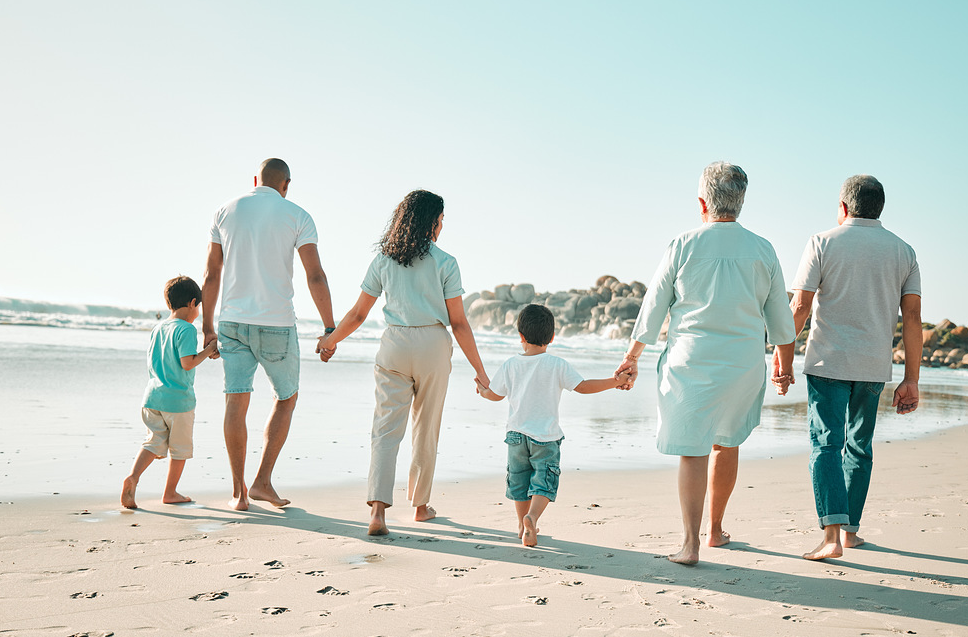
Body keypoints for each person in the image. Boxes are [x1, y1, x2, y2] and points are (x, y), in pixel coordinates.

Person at [614, 161, 796, 566]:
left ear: (702, 203)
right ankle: (715, 530)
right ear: (742, 202)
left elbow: (653, 308)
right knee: (726, 441)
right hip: (743, 365)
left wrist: (632, 357)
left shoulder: (683, 244)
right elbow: (780, 319)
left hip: (690, 363)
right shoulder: (763, 249)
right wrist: (784, 366)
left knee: (693, 449)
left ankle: (690, 543)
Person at [317, 189, 490, 535]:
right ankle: (421, 507)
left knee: (385, 429)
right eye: (440, 220)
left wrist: (329, 341)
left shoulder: (383, 260)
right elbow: (458, 323)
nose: (441, 226)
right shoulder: (445, 262)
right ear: (431, 222)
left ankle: (378, 512)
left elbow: (357, 314)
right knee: (426, 428)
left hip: (394, 344)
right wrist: (480, 370)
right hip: (432, 345)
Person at [771, 174, 922, 561]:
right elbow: (913, 318)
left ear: (843, 207)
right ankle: (850, 532)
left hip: (827, 362)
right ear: (880, 208)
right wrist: (912, 380)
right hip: (873, 367)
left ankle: (832, 536)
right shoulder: (903, 251)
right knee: (859, 447)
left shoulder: (822, 242)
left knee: (826, 444)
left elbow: (799, 307)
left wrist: (782, 360)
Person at [201, 158, 336, 511]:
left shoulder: (224, 211)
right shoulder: (298, 215)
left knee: (236, 401)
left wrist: (207, 326)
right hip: (276, 323)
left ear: (256, 179)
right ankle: (262, 481)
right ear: (286, 185)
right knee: (286, 397)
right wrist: (329, 328)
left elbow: (211, 275)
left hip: (231, 322)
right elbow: (315, 275)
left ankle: (238, 493)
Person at [476, 304, 632, 547]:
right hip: (545, 437)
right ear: (552, 338)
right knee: (543, 482)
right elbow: (583, 387)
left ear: (521, 337)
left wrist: (483, 391)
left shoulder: (510, 364)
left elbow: (495, 395)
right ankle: (532, 518)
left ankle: (522, 526)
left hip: (516, 436)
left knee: (519, 481)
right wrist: (614, 382)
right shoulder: (557, 364)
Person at [122, 276, 218, 509]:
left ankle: (133, 478)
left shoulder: (158, 328)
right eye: (199, 307)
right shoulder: (186, 329)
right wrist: (208, 351)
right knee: (180, 449)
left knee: (153, 443)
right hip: (178, 402)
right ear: (193, 303)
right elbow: (187, 363)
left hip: (152, 398)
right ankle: (170, 492)